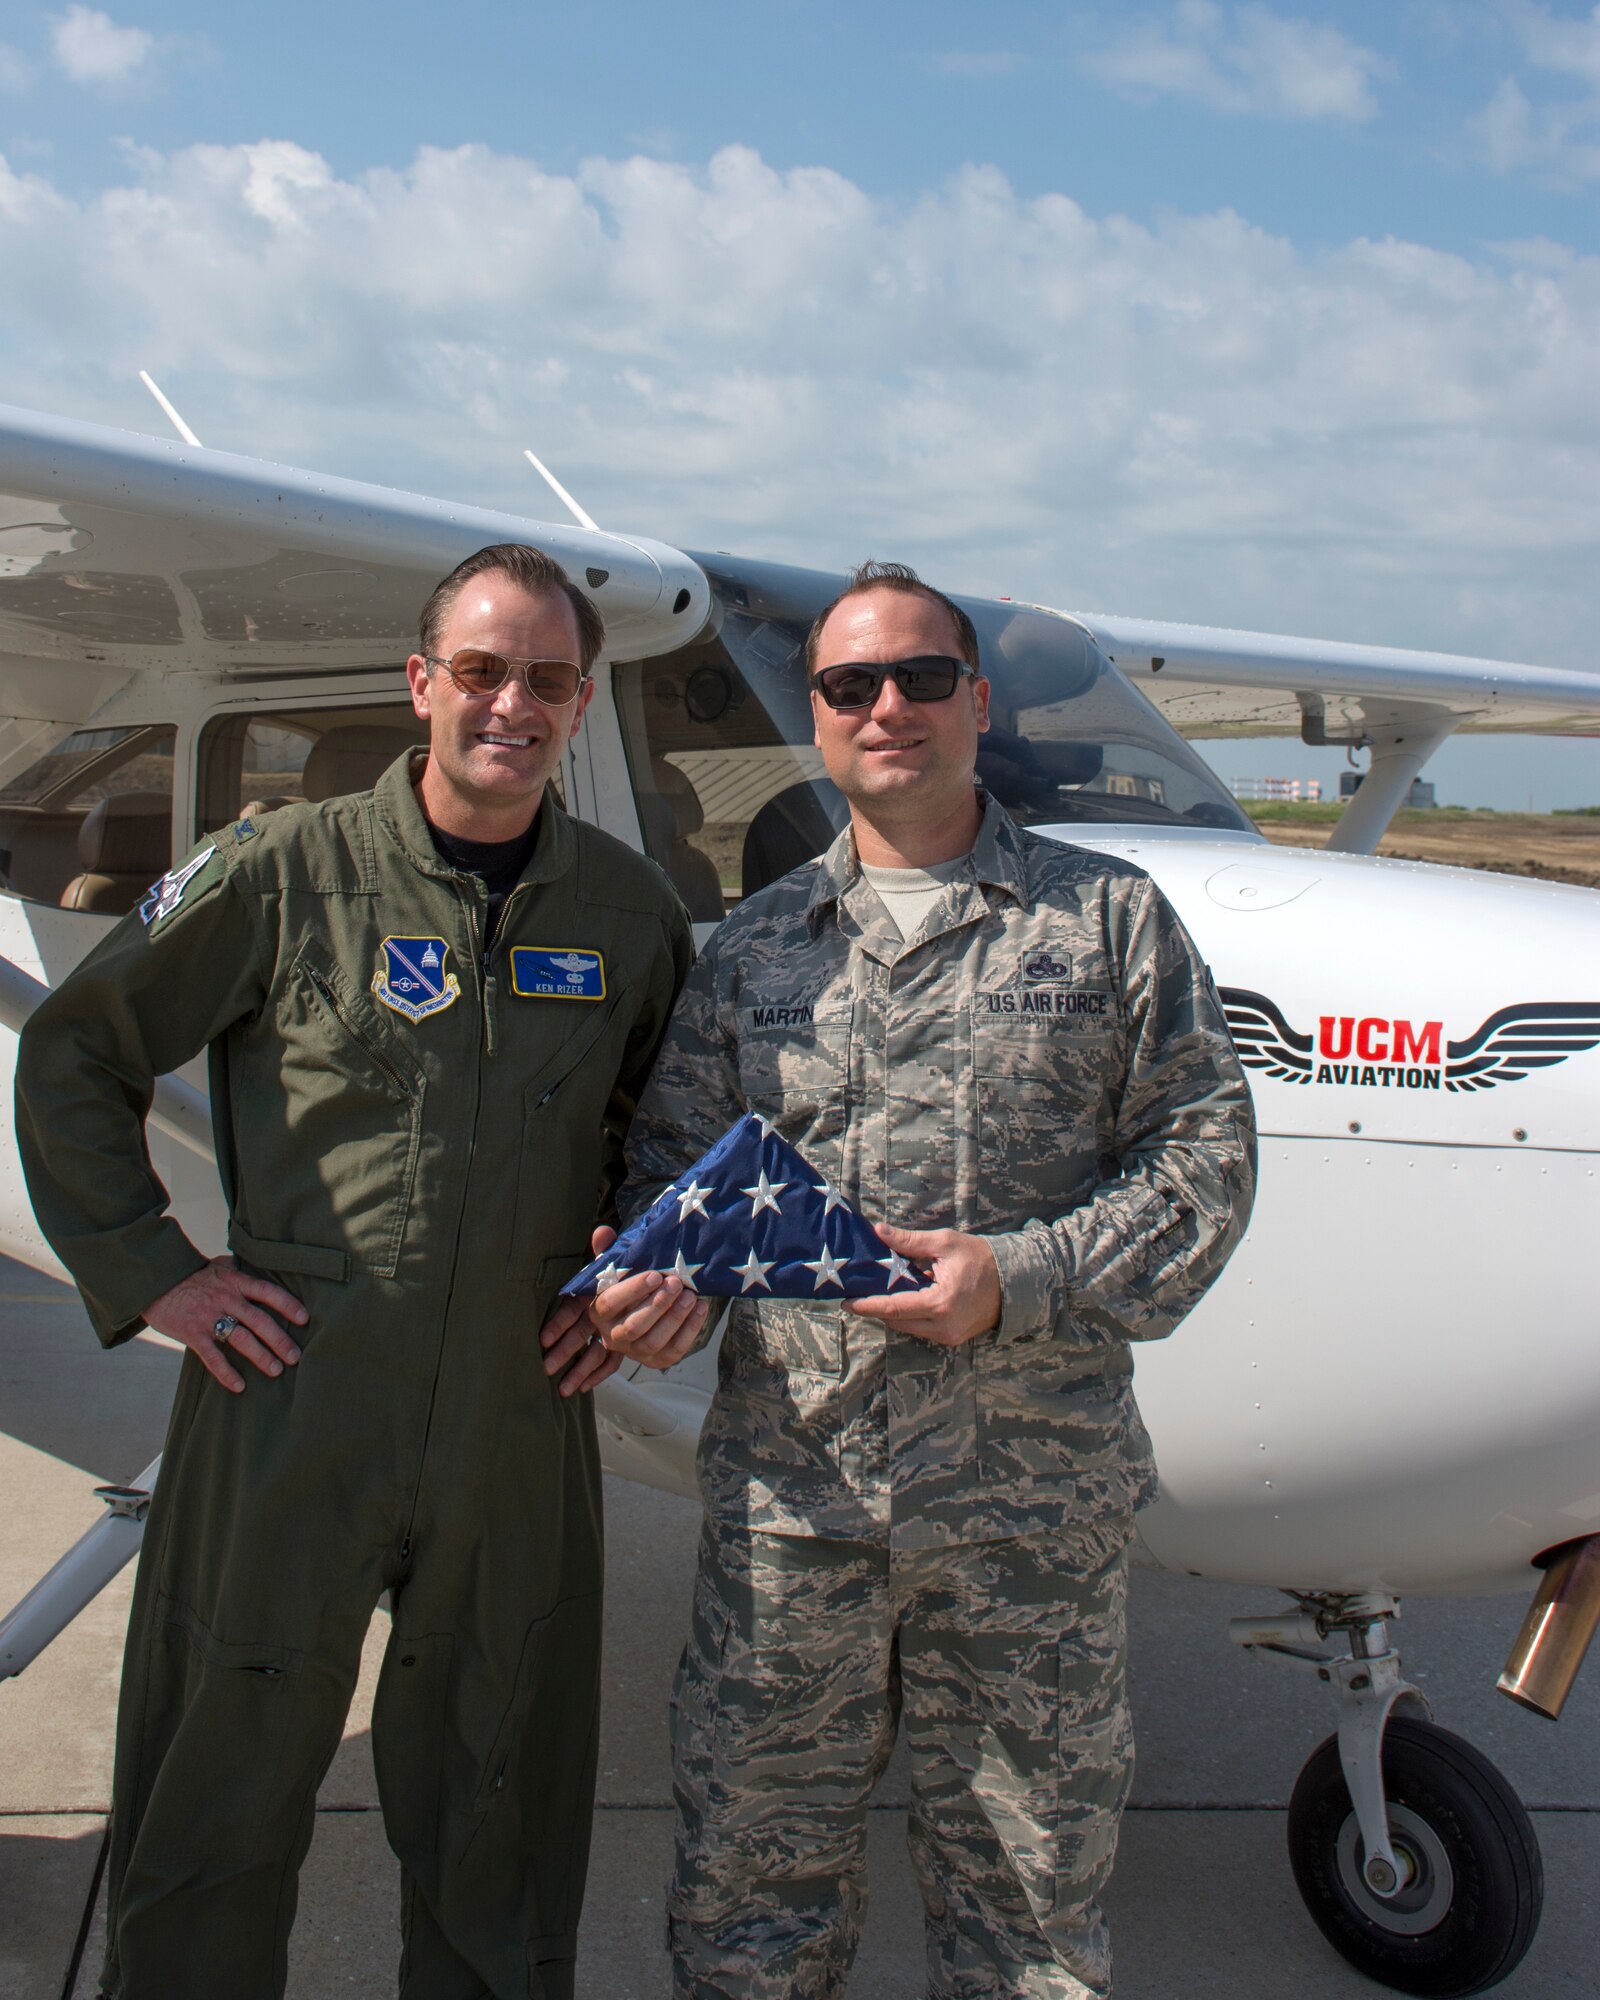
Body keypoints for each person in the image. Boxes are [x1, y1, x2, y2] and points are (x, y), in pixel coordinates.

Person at [568, 561, 1257, 1999]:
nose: (887, 709)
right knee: (750, 1917)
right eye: (848, 687)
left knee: (1030, 1933)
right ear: (817, 723)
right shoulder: (753, 952)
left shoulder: (1110, 923)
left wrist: (1021, 1274)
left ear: (977, 704)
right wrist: (656, 1284)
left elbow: (1206, 1169)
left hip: (1028, 1529)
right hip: (791, 1515)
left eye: (921, 678)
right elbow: (672, 1181)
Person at [16, 543, 692, 2000]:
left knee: (503, 1805)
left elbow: (664, 1134)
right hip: (286, 1398)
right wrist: (157, 1273)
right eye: (482, 670)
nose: (513, 703)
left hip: (519, 1412)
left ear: (580, 708)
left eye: (549, 682)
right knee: (215, 1794)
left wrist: (638, 1281)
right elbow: (77, 1052)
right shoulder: (282, 871)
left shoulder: (627, 915)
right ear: (421, 684)